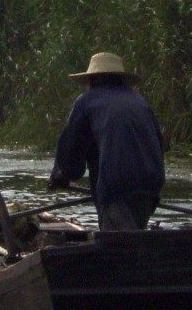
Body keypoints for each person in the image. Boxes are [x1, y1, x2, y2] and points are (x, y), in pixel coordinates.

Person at [48, 52, 165, 231]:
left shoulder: (87, 101)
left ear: (93, 79)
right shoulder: (139, 101)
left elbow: (71, 149)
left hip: (118, 186)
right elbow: (161, 144)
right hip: (151, 183)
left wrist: (61, 177)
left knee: (119, 247)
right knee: (135, 237)